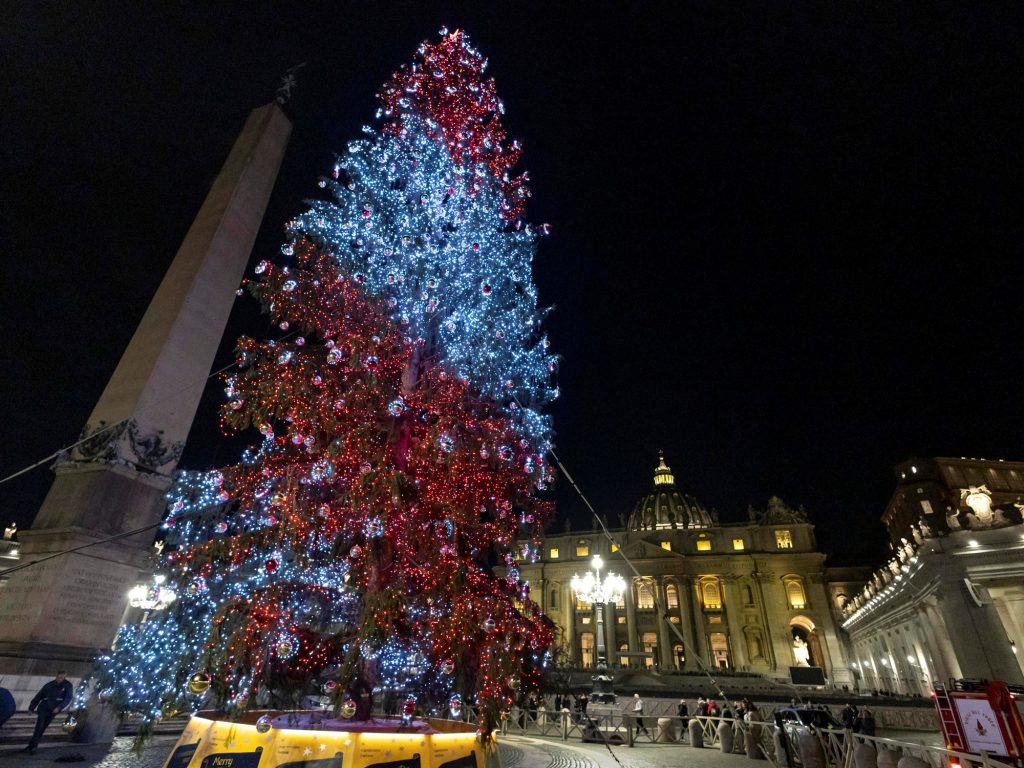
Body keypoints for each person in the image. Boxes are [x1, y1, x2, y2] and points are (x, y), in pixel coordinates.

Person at [25, 671, 73, 753]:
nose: (60, 679)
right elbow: (39, 696)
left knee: (42, 727)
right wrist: (31, 708)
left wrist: (59, 707)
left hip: (53, 710)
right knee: (39, 727)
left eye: (62, 678)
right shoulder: (49, 685)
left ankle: (32, 745)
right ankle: (33, 746)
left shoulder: (67, 685)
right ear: (56, 676)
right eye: (59, 677)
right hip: (44, 707)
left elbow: (67, 698)